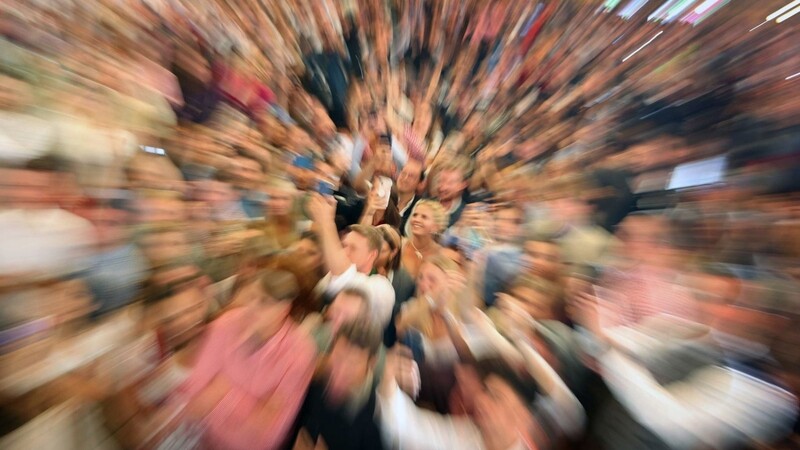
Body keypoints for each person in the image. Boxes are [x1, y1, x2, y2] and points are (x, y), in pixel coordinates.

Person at [171, 269, 317, 450]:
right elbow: (193, 392)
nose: (252, 307)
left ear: (284, 309)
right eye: (252, 297)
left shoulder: (299, 353)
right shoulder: (227, 322)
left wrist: (222, 392)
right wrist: (251, 407)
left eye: (264, 302)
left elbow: (269, 434)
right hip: (197, 440)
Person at [308, 194, 395, 330]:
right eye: (343, 246)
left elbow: (347, 277)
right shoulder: (332, 273)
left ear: (371, 255)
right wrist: (369, 211)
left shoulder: (382, 287)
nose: (344, 252)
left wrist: (326, 222)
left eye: (353, 249)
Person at [295, 320, 386, 450]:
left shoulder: (376, 415)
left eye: (353, 363)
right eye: (338, 356)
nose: (341, 370)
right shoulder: (316, 375)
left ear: (371, 363)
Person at [401, 199, 447, 279]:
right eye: (415, 215)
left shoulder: (442, 255)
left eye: (424, 217)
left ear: (436, 227)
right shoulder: (400, 245)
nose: (417, 220)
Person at [433, 156, 473, 228]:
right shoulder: (427, 205)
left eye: (450, 183)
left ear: (463, 184)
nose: (442, 187)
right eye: (440, 181)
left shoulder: (465, 216)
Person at [396, 157, 425, 234]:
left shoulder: (420, 207)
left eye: (411, 176)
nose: (405, 178)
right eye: (403, 173)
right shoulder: (385, 194)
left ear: (419, 184)